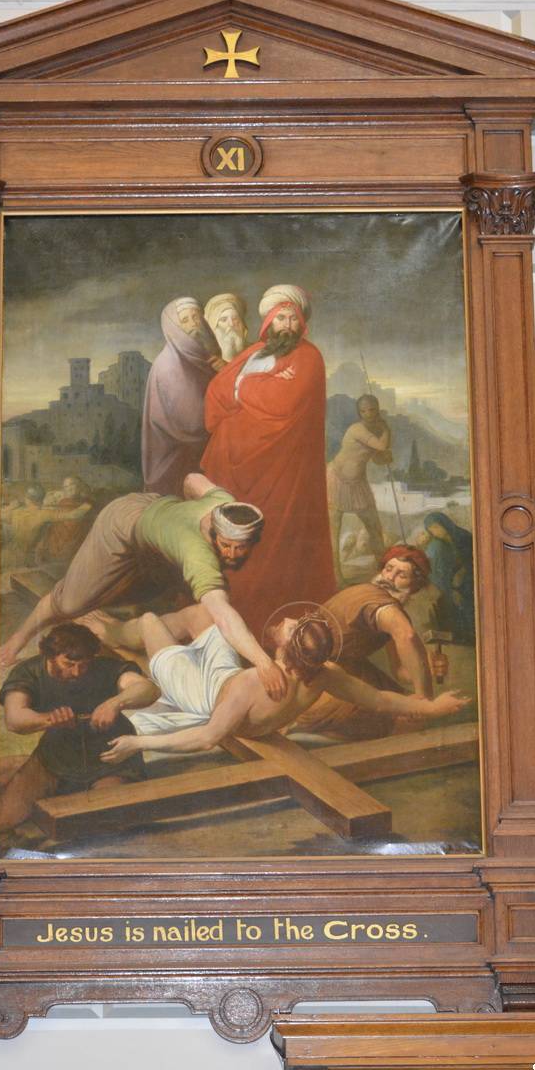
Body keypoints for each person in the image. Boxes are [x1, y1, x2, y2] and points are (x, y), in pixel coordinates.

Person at [0, 472, 286, 701]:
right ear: (213, 531)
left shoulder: (225, 503)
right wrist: (263, 662)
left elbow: (192, 480)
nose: (232, 555)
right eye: (225, 546)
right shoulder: (196, 553)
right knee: (71, 603)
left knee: (169, 598)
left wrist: (176, 515)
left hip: (154, 527)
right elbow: (222, 613)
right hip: (122, 524)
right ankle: (18, 638)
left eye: (241, 548)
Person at [97, 603, 466, 762]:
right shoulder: (324, 675)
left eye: (293, 626)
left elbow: (207, 737)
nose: (288, 620)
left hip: (201, 693)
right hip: (225, 679)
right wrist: (432, 707)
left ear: (286, 648)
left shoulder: (250, 684)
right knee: (204, 613)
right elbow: (381, 700)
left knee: (149, 621)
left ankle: (105, 630)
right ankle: (147, 633)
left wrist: (137, 742)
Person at [201, 283, 335, 636]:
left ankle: (274, 620)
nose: (287, 325)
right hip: (233, 466)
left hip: (282, 467)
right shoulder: (254, 352)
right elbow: (216, 392)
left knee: (275, 539)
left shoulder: (309, 357)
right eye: (281, 318)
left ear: (301, 324)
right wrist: (257, 384)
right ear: (269, 322)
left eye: (293, 318)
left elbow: (283, 401)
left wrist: (244, 387)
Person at [0, 622, 154, 831]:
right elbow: (14, 719)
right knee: (5, 818)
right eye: (69, 664)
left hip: (111, 757)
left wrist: (115, 703)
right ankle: (24, 767)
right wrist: (49, 719)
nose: (78, 671)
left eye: (84, 664)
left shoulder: (106, 667)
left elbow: (148, 689)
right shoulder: (29, 671)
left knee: (104, 819)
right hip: (56, 756)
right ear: (50, 656)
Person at [294, 544, 438, 739]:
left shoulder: (391, 610)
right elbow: (407, 636)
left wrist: (426, 666)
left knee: (404, 706)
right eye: (389, 568)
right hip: (319, 682)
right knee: (403, 715)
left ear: (414, 586)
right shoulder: (374, 600)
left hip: (344, 672)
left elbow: (400, 670)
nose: (389, 577)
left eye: (401, 575)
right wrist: (425, 698)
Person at [141, 297, 222, 496]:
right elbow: (193, 424)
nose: (194, 324)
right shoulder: (169, 365)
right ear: (174, 328)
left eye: (197, 317)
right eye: (185, 320)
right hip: (176, 459)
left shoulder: (200, 356)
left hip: (197, 454)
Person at [327, 394, 392, 580]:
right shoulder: (357, 429)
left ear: (378, 410)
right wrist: (386, 430)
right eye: (363, 411)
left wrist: (386, 458)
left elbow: (378, 458)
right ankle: (337, 577)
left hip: (358, 484)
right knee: (334, 531)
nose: (368, 414)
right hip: (336, 480)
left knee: (374, 527)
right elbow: (381, 446)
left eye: (372, 410)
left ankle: (383, 572)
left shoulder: (377, 431)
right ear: (359, 413)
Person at [419, 511, 475, 643]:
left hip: (470, 577)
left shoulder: (463, 537)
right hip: (454, 579)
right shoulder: (439, 543)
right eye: (431, 529)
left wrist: (461, 573)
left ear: (445, 523)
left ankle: (471, 633)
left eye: (436, 527)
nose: (435, 531)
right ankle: (460, 633)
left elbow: (473, 560)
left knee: (465, 599)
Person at [204, 292, 249, 362]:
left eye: (235, 318)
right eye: (223, 320)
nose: (231, 324)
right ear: (214, 327)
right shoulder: (208, 357)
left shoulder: (255, 351)